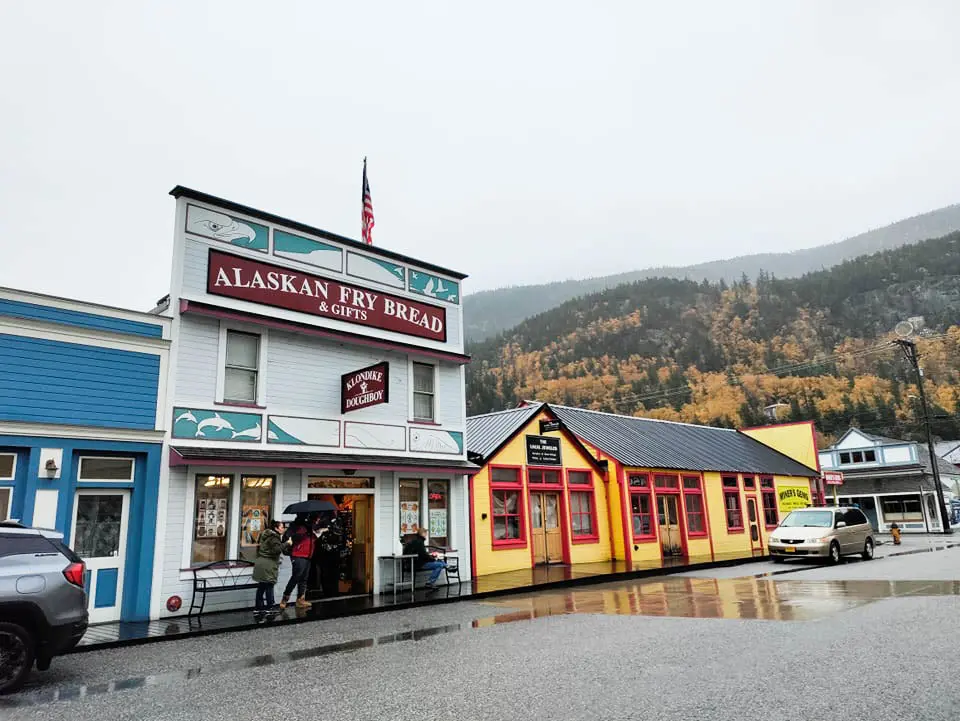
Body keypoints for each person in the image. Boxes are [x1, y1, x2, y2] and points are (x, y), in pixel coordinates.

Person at [280, 514, 314, 609]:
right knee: (296, 577)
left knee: (304, 578)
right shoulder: (295, 527)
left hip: (307, 555)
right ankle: (285, 598)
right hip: (298, 555)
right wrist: (302, 535)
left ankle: (300, 600)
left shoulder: (309, 527)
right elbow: (289, 538)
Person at [252, 520, 284, 618]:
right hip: (268, 565)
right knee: (269, 585)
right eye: (282, 527)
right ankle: (270, 607)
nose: (283, 529)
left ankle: (258, 608)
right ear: (276, 528)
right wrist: (287, 543)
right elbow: (277, 550)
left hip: (261, 563)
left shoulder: (266, 535)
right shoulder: (274, 537)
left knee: (261, 586)